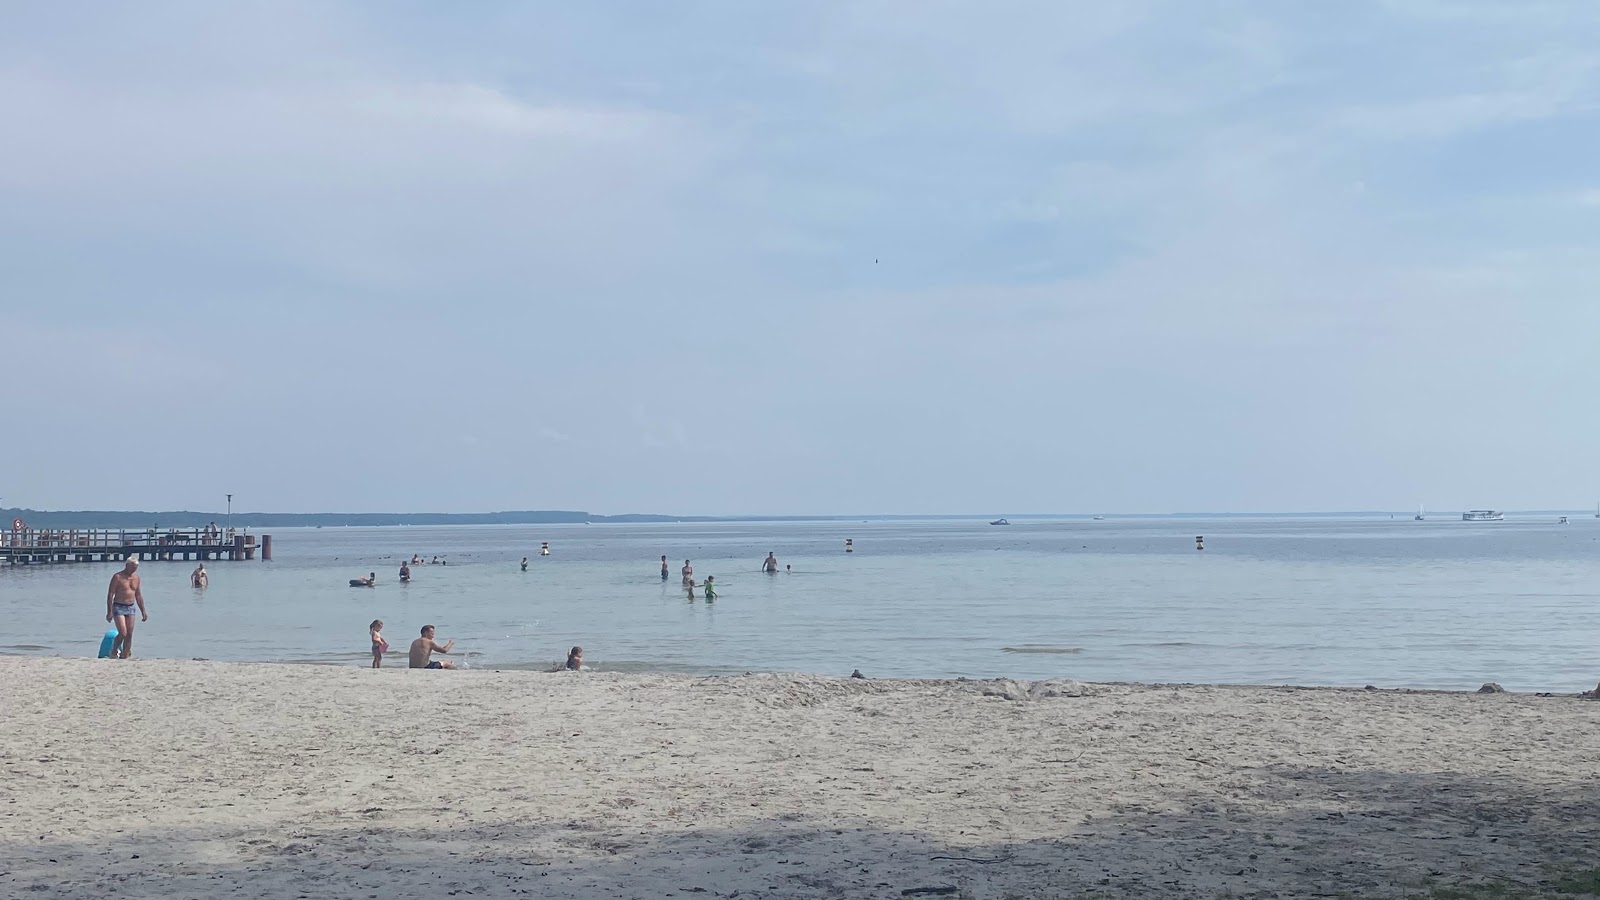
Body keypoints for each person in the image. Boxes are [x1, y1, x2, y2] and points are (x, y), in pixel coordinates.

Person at [105, 558, 148, 659]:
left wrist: (143, 611)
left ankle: (125, 655)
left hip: (131, 607)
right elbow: (111, 594)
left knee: (129, 633)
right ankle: (114, 650)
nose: (134, 570)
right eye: (132, 567)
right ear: (127, 565)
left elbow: (138, 595)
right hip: (119, 606)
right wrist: (109, 611)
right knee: (123, 632)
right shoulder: (118, 577)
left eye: (136, 568)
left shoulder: (136, 578)